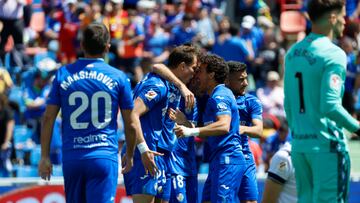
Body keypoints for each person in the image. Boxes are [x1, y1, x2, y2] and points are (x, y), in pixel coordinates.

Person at [38, 23, 157, 203]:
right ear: (108, 47)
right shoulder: (118, 77)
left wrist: (45, 156)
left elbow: (48, 118)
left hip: (73, 157)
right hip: (103, 155)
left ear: (82, 45)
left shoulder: (63, 74)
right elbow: (131, 122)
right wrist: (130, 154)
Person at [284, 0, 360, 202]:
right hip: (327, 146)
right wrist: (357, 127)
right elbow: (330, 104)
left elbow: (288, 104)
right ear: (332, 18)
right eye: (343, 16)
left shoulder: (292, 53)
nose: (345, 21)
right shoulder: (334, 53)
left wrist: (299, 132)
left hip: (300, 145)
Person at [123, 45, 198, 203]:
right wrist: (143, 150)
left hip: (163, 154)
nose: (195, 73)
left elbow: (158, 67)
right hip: (149, 152)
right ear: (182, 66)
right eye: (193, 68)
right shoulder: (158, 86)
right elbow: (132, 114)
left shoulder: (171, 85)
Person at [174, 54, 245, 203]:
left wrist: (191, 131)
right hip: (218, 160)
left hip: (227, 159)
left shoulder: (220, 95)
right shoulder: (213, 97)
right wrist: (186, 123)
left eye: (200, 71)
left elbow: (224, 125)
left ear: (211, 74)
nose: (196, 74)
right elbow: (211, 132)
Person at [227, 61, 263, 203]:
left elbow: (258, 130)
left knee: (250, 201)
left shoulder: (251, 101)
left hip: (245, 156)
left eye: (246, 78)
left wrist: (237, 128)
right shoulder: (216, 99)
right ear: (227, 80)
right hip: (223, 157)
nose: (246, 83)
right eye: (241, 79)